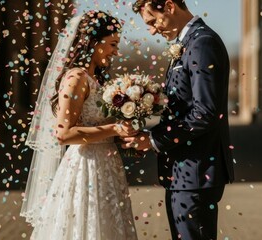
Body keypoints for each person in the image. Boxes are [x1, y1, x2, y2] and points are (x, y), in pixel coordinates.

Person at [20, 10, 138, 240]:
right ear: (94, 42)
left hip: (107, 166)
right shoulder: (75, 78)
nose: (116, 51)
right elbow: (63, 134)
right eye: (112, 44)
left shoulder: (95, 79)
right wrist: (113, 129)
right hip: (86, 167)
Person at [123, 1, 235, 239]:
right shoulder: (187, 43)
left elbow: (204, 113)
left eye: (153, 21)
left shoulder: (202, 42)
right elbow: (183, 108)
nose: (152, 30)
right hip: (184, 174)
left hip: (196, 172)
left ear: (170, 6)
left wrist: (154, 140)